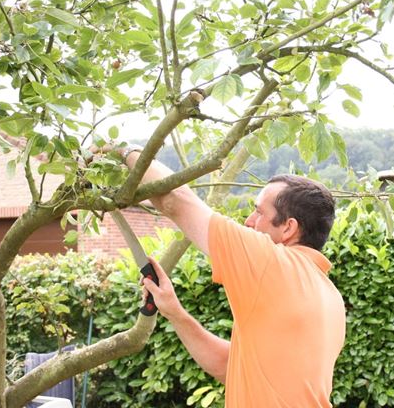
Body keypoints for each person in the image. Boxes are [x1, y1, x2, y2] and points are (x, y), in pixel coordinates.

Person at [124, 149, 346, 407]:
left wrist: (120, 151)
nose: (249, 221)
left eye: (259, 212)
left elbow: (174, 199)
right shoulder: (330, 296)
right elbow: (227, 366)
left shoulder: (273, 263)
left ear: (289, 227)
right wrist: (175, 313)